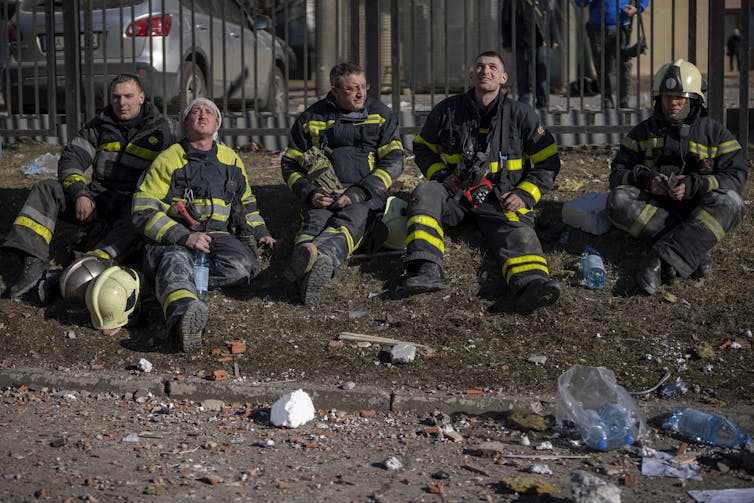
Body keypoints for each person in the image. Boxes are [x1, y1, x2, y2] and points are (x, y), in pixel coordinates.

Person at [401, 50, 562, 314]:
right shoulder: (448, 111)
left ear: (503, 77)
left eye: (492, 67)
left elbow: (548, 162)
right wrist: (443, 176)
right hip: (455, 197)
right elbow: (422, 148)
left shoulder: (522, 115)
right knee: (426, 192)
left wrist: (524, 194)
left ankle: (532, 284)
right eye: (479, 66)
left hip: (500, 199)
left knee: (520, 232)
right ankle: (426, 268)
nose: (485, 71)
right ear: (471, 74)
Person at [1, 74, 175, 299]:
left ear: (141, 98)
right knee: (46, 189)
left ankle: (76, 271)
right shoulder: (99, 125)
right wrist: (79, 193)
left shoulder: (163, 130)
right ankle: (32, 260)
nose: (122, 103)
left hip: (133, 205)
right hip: (98, 198)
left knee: (139, 222)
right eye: (116, 97)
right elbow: (72, 158)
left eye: (128, 96)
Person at [131, 98, 276, 352]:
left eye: (209, 112)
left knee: (244, 267)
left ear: (217, 123)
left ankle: (173, 281)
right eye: (195, 112)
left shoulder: (231, 160)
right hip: (174, 240)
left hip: (217, 237)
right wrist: (183, 236)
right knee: (175, 260)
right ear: (185, 125)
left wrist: (261, 232)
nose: (203, 114)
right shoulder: (169, 159)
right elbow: (142, 210)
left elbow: (246, 204)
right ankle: (184, 316)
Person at [606, 59, 747, 295]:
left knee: (732, 202)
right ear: (658, 98)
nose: (672, 103)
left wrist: (696, 184)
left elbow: (737, 175)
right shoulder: (642, 132)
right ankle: (694, 249)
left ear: (694, 99)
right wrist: (647, 181)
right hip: (657, 206)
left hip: (697, 207)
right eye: (667, 96)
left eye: (679, 97)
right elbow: (616, 175)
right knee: (617, 199)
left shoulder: (715, 133)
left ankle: (660, 260)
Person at [280, 61, 404, 305]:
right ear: (335, 90)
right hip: (323, 192)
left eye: (363, 86)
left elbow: (394, 160)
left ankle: (323, 259)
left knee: (352, 220)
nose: (360, 93)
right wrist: (311, 192)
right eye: (352, 89)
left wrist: (359, 192)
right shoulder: (311, 118)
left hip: (365, 192)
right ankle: (307, 271)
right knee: (314, 224)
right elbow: (290, 164)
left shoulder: (380, 115)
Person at [573, 0, 649, 108]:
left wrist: (638, 8)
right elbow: (579, 3)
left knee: (624, 65)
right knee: (601, 67)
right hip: (597, 29)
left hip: (621, 27)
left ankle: (623, 102)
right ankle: (606, 101)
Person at [502, 0, 560, 116]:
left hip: (540, 42)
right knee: (522, 75)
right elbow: (506, 20)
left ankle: (542, 103)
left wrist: (554, 37)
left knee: (541, 74)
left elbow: (550, 16)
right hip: (521, 42)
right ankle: (524, 104)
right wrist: (507, 42)